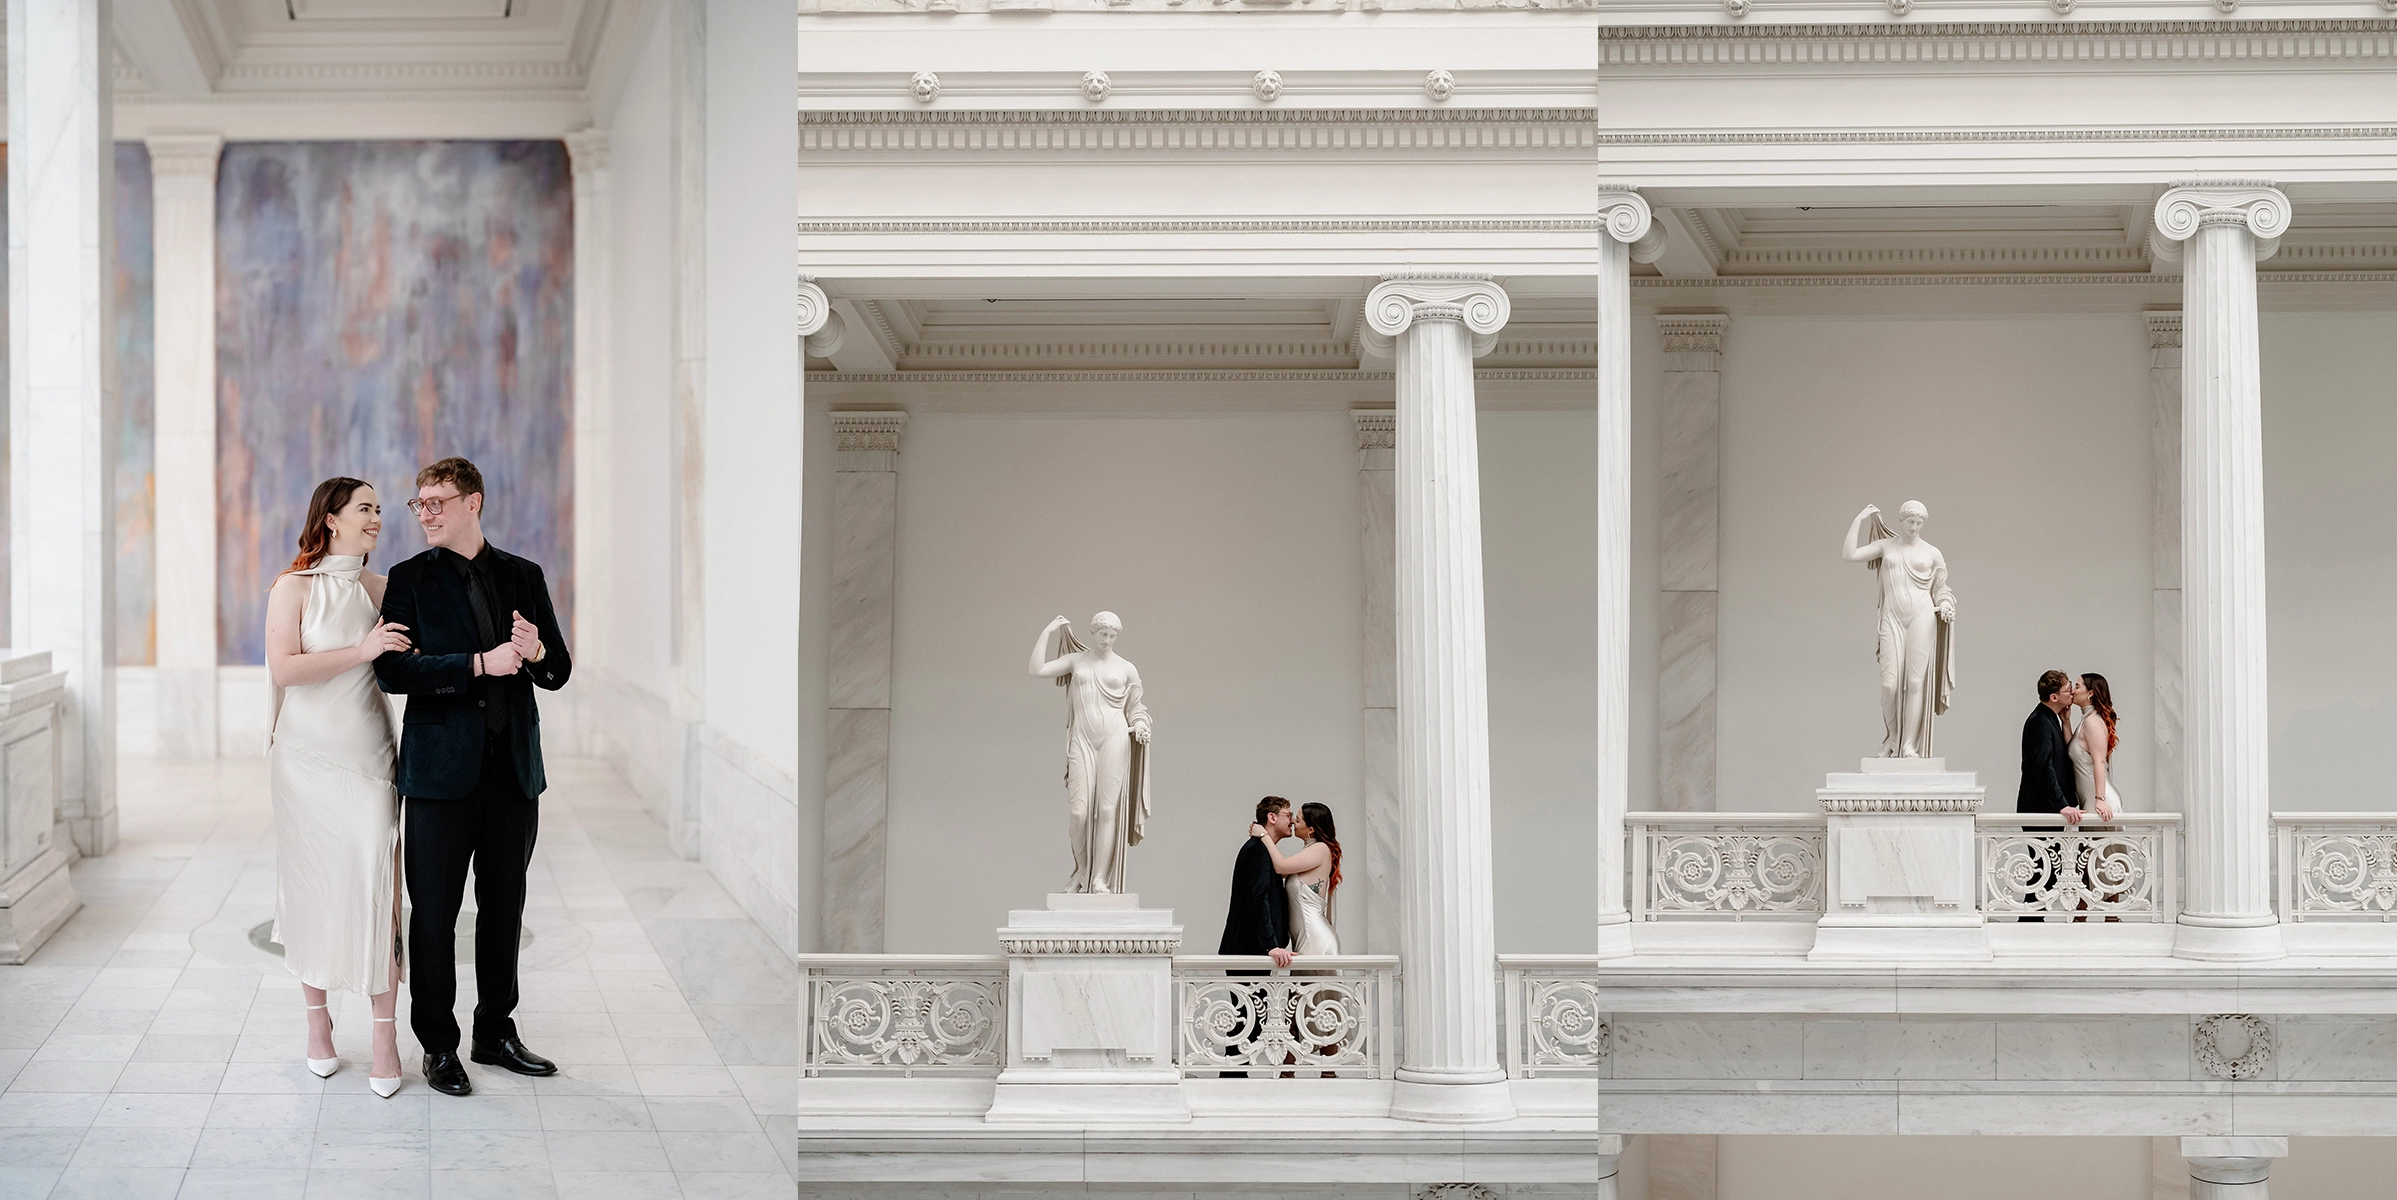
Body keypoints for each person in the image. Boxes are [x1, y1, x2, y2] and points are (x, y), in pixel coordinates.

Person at [374, 457, 572, 1097]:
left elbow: (558, 668)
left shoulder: (524, 576)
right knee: (433, 914)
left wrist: (537, 651)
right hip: (437, 778)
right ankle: (438, 1046)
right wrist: (478, 664)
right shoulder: (407, 581)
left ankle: (495, 1030)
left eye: (437, 501)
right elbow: (394, 674)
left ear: (473, 502)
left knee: (504, 909)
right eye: (419, 503)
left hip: (513, 774)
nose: (425, 512)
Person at [265, 477, 413, 1098]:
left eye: (380, 509)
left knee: (380, 884)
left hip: (369, 755)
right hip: (304, 759)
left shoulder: (383, 588)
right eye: (365, 508)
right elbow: (285, 669)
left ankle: (385, 1038)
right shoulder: (291, 588)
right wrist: (362, 649)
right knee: (312, 885)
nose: (377, 518)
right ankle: (317, 1025)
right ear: (331, 518)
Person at [1028, 612, 1153, 894]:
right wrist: (1047, 631)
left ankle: (1099, 878)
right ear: (1093, 632)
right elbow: (1036, 670)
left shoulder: (1126, 668)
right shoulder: (1077, 661)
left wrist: (1141, 724)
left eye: (1112, 636)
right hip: (1082, 739)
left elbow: (1136, 707)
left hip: (1114, 737)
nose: (1107, 640)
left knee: (1107, 810)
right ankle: (1082, 870)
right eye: (1102, 634)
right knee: (1078, 812)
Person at [1841, 501, 1958, 759]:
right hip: (1892, 618)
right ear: (1901, 520)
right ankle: (1893, 737)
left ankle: (1908, 745)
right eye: (1910, 522)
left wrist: (1946, 604)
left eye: (1919, 523)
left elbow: (1941, 588)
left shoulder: (1932, 553)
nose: (1914, 527)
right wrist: (1859, 519)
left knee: (1915, 682)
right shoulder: (1886, 546)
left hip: (1922, 616)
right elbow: (1849, 554)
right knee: (1889, 685)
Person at [1216, 796, 1295, 1076]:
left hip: (1249, 948)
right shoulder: (1258, 851)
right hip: (1246, 949)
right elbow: (1257, 900)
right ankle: (1232, 1076)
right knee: (1246, 1018)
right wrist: (1272, 945)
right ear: (1271, 817)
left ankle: (1235, 1075)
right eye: (1288, 814)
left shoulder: (1262, 849)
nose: (1293, 820)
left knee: (1250, 1018)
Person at [2014, 668, 2082, 922]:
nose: (2072, 693)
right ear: (2054, 697)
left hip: (2044, 808)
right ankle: (2029, 922)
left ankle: (2031, 922)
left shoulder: (2050, 717)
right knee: (2044, 870)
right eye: (2067, 690)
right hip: (2039, 808)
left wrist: (2066, 721)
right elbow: (2043, 767)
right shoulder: (2039, 722)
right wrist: (2062, 805)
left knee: (2047, 870)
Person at [1248, 801, 1341, 958]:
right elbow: (1277, 872)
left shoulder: (1320, 849)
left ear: (1311, 830)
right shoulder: (1311, 851)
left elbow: (1281, 866)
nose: (1292, 821)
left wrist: (1264, 834)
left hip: (1315, 941)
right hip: (1305, 941)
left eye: (1297, 820)